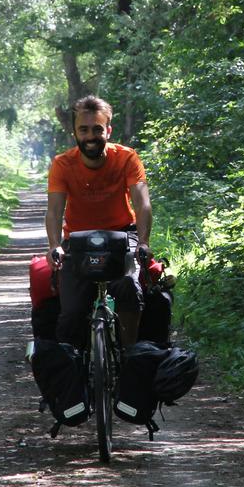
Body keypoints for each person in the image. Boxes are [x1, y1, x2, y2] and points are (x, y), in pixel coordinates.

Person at [46, 95, 152, 348]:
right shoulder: (62, 164)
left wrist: (144, 242)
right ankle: (79, 367)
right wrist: (54, 245)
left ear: (108, 130)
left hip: (122, 236)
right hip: (78, 241)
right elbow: (54, 211)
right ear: (74, 132)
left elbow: (142, 202)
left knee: (128, 287)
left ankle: (130, 355)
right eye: (84, 130)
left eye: (97, 129)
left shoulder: (127, 158)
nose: (90, 136)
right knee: (71, 313)